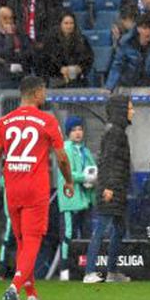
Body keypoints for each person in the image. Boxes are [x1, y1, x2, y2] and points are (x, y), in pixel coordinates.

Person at [0, 76, 73, 300]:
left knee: (22, 241)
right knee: (32, 240)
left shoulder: (4, 122)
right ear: (36, 93)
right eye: (44, 90)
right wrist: (68, 180)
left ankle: (31, 294)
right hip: (35, 187)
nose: (45, 95)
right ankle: (14, 287)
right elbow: (62, 157)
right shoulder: (47, 121)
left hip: (12, 187)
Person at [82, 95, 133, 284]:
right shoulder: (114, 133)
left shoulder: (116, 131)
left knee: (119, 228)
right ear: (121, 110)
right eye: (130, 108)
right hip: (111, 188)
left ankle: (112, 272)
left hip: (117, 187)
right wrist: (109, 187)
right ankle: (89, 272)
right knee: (101, 228)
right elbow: (109, 161)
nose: (133, 111)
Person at [56, 115, 96, 279]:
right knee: (68, 235)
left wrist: (93, 178)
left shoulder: (85, 151)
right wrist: (85, 177)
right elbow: (67, 173)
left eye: (80, 129)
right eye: (73, 130)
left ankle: (86, 268)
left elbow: (93, 170)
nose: (78, 133)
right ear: (68, 133)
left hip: (85, 201)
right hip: (70, 201)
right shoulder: (65, 149)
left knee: (86, 235)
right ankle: (64, 269)